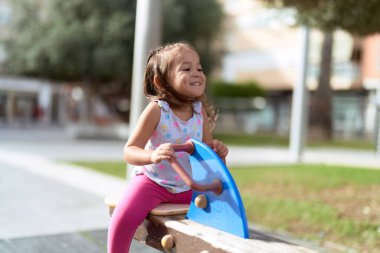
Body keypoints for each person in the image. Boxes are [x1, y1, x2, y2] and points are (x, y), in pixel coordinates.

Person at [107, 42, 228, 253]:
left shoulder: (200, 113)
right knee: (124, 215)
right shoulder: (157, 110)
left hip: (189, 187)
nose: (197, 73)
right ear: (161, 82)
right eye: (186, 68)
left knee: (222, 212)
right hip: (153, 183)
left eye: (199, 68)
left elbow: (204, 150)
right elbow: (130, 150)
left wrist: (216, 148)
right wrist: (153, 155)